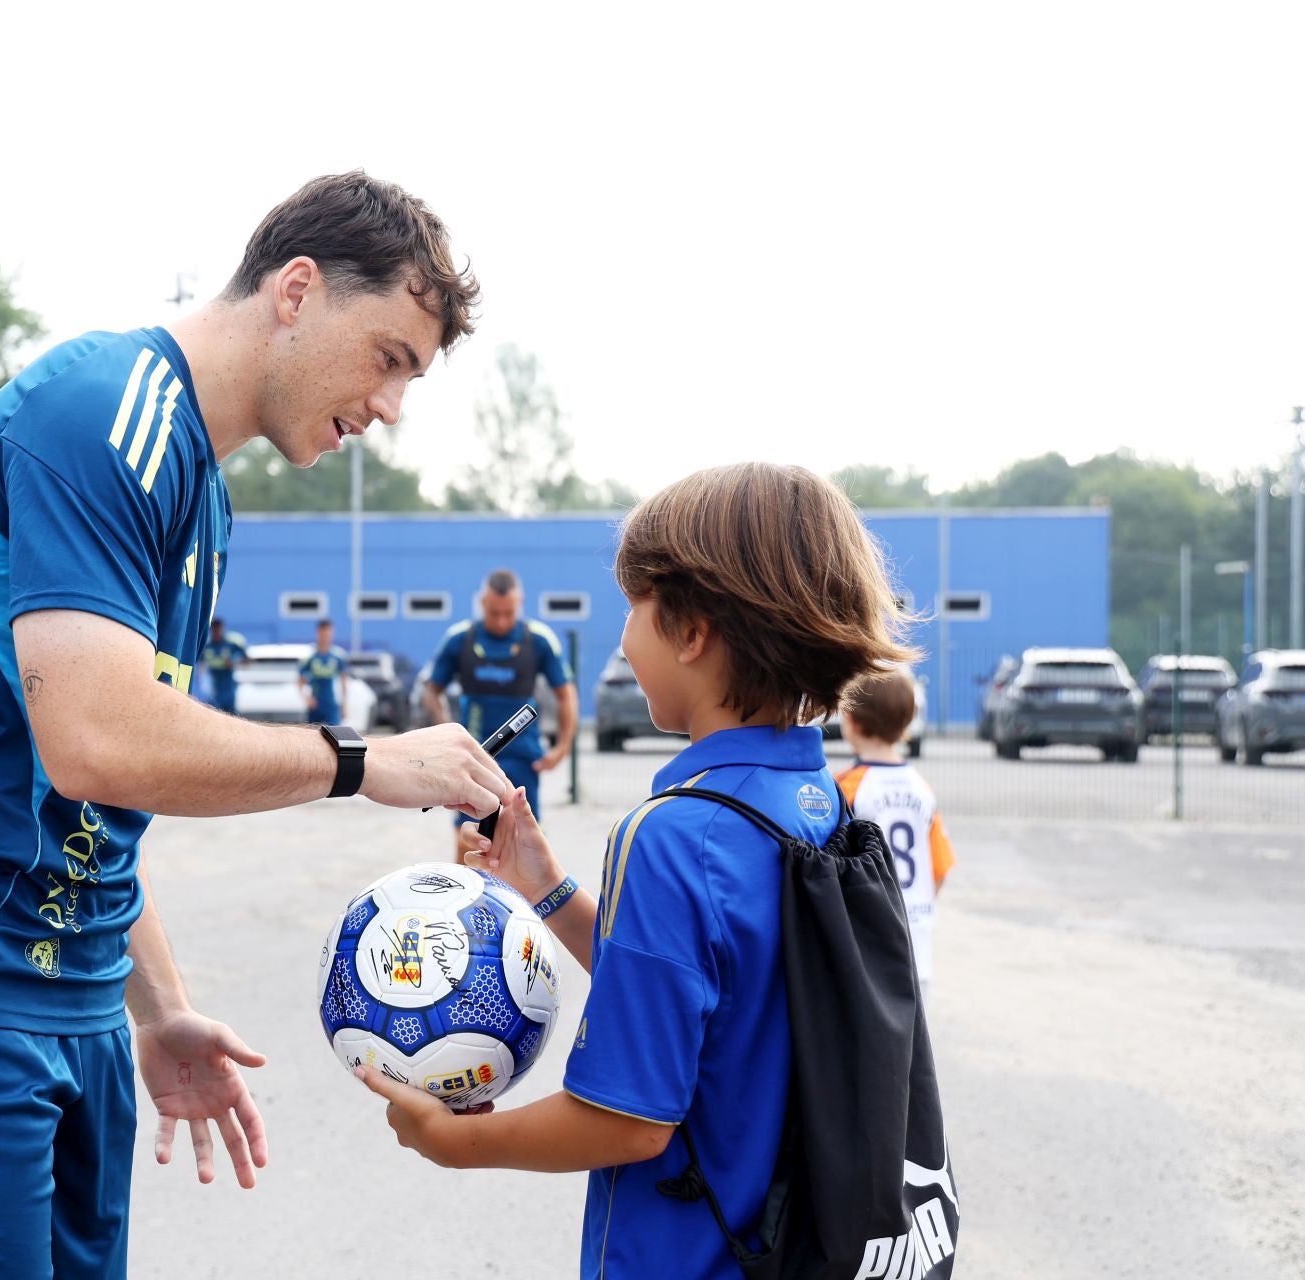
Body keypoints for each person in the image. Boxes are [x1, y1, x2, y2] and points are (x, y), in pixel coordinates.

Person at [0, 172, 511, 1280]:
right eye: (390, 358)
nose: (389, 407)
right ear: (297, 290)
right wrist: (361, 761)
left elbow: (92, 793)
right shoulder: (102, 414)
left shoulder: (198, 493)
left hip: (72, 1007)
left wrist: (160, 1007)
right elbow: (97, 737)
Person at [361, 462, 912, 1280]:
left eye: (634, 606)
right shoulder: (815, 800)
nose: (623, 635)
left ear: (691, 632)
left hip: (686, 1258)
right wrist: (548, 890)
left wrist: (455, 1140)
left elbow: (627, 1123)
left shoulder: (676, 835)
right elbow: (712, 1001)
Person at [422, 568, 576, 844]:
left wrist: (562, 747)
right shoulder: (460, 639)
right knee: (468, 837)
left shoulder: (538, 640)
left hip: (522, 756)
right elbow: (432, 691)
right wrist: (445, 731)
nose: (502, 621)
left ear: (520, 604)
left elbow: (567, 694)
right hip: (474, 755)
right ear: (482, 603)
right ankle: (468, 888)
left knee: (524, 840)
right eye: (494, 613)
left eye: (509, 613)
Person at [836, 666, 954, 991]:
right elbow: (939, 870)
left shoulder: (846, 788)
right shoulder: (921, 789)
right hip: (916, 946)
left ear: (851, 720)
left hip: (865, 951)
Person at [297, 618, 350, 724]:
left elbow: (344, 682)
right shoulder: (310, 657)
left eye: (329, 632)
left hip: (331, 706)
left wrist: (344, 705)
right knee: (312, 737)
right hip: (315, 706)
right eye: (323, 632)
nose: (326, 636)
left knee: (334, 737)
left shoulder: (338, 656)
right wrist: (307, 699)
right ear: (318, 632)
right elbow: (300, 683)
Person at [198, 617, 248, 714]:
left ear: (223, 628)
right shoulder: (207, 646)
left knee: (232, 717)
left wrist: (233, 663)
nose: (217, 632)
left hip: (229, 689)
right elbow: (200, 663)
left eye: (219, 629)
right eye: (214, 629)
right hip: (214, 690)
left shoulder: (231, 644)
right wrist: (203, 679)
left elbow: (247, 660)